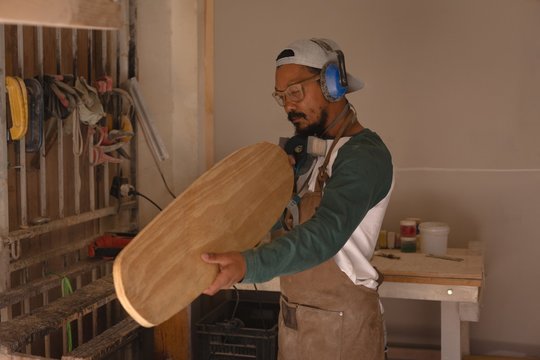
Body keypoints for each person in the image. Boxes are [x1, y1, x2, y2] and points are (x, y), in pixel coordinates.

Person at [201, 38, 394, 360]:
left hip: (344, 328)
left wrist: (249, 264)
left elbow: (325, 234)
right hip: (295, 319)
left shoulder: (364, 156)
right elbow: (277, 222)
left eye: (295, 92)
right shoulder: (305, 151)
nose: (289, 105)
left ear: (332, 84)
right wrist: (270, 186)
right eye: (281, 96)